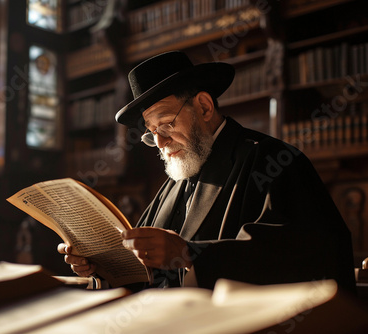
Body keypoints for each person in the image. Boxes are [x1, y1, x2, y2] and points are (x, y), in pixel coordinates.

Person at [58, 51, 356, 293]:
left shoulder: (272, 160)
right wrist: (101, 268)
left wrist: (190, 254)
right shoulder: (174, 182)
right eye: (151, 133)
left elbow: (314, 254)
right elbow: (143, 271)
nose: (159, 142)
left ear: (203, 107)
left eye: (166, 124)